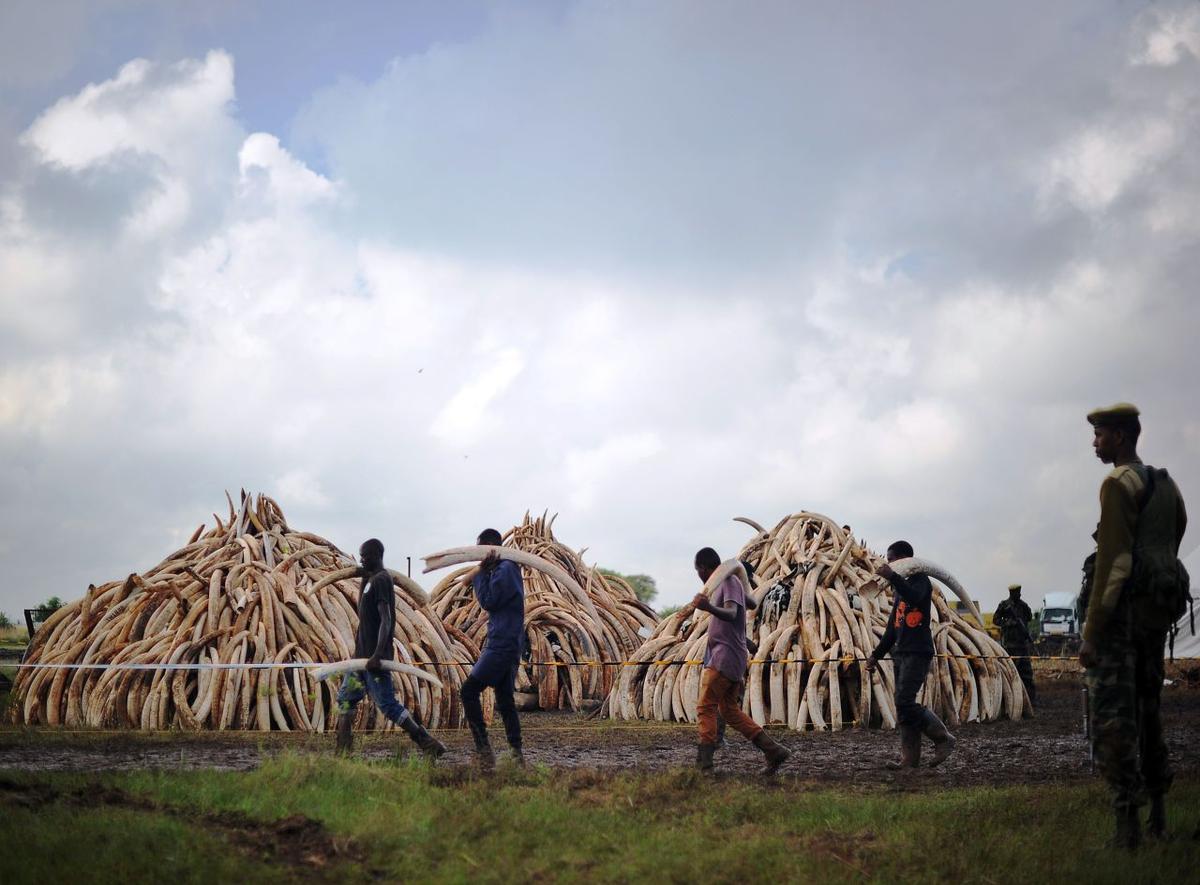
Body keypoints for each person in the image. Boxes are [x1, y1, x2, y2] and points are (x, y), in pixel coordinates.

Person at [1080, 403, 1188, 849]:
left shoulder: (1117, 484)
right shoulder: (1168, 486)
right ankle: (1159, 817)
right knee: (1149, 711)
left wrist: (1093, 631)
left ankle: (1127, 826)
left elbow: (1115, 564)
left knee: (1112, 719)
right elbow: (1174, 537)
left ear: (1120, 437)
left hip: (1120, 623)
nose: (1095, 442)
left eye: (1101, 434)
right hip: (1155, 617)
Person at [335, 539, 447, 758]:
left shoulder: (382, 580)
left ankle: (428, 743)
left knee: (388, 705)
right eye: (360, 556)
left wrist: (378, 654)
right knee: (345, 700)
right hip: (360, 659)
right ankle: (342, 751)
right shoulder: (368, 581)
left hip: (375, 659)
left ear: (377, 555)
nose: (362, 560)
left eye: (365, 556)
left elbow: (387, 620)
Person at [692, 547, 790, 774]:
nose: (698, 575)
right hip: (730, 657)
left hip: (723, 659)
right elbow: (746, 609)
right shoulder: (729, 584)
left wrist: (707, 607)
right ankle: (774, 751)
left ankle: (704, 766)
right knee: (729, 711)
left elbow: (732, 613)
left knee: (705, 707)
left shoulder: (728, 582)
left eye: (698, 570)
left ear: (704, 568)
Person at [865, 540, 956, 768]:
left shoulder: (920, 582)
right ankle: (910, 759)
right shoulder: (900, 588)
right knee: (902, 704)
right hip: (901, 653)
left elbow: (915, 598)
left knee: (905, 703)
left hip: (917, 651)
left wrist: (893, 577)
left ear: (905, 559)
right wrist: (876, 654)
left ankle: (943, 738)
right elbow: (892, 628)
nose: (889, 565)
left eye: (892, 560)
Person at [460, 528, 525, 768]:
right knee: (505, 698)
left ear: (489, 547)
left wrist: (479, 574)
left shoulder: (505, 569)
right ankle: (516, 754)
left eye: (480, 551)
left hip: (502, 643)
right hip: (507, 640)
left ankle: (483, 750)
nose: (478, 557)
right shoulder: (503, 568)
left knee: (468, 691)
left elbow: (489, 601)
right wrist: (484, 571)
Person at [994, 584, 1037, 705]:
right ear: (1011, 593)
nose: (1018, 595)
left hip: (1022, 645)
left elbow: (1029, 617)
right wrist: (1008, 622)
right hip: (1010, 645)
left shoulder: (1023, 606)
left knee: (1027, 674)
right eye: (1016, 593)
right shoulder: (1004, 605)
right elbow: (996, 620)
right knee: (1010, 673)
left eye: (1019, 593)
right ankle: (1010, 700)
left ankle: (1030, 700)